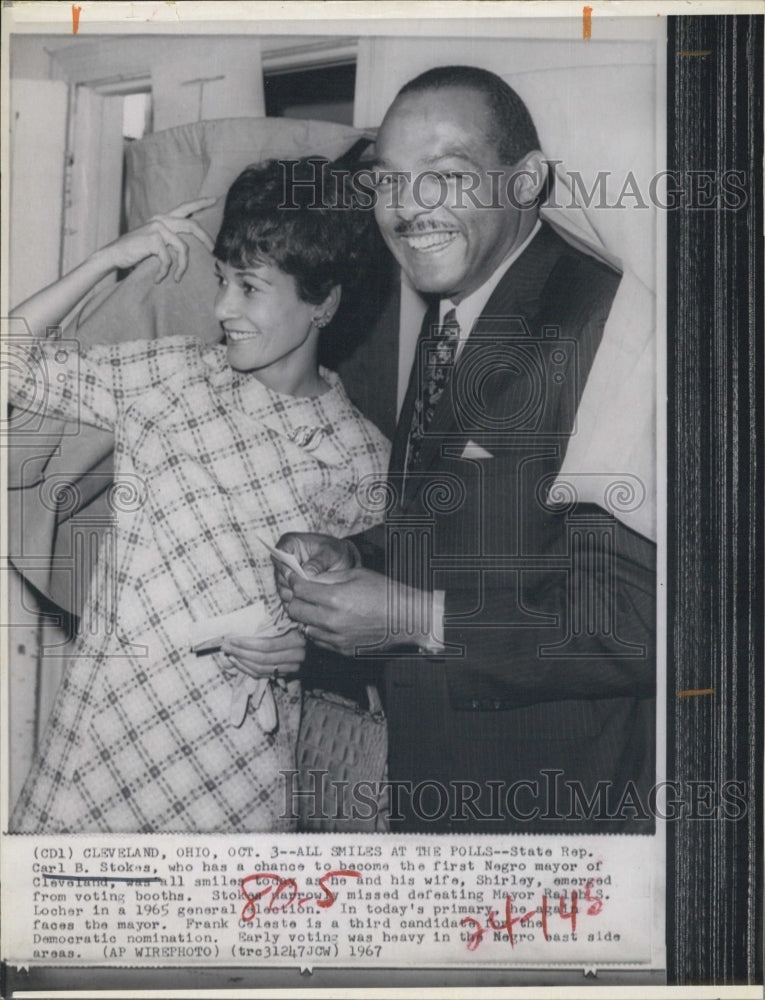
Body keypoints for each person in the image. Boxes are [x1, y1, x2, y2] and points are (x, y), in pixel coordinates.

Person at [276, 66, 656, 833]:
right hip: (437, 789)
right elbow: (476, 525)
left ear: (525, 184)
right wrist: (358, 556)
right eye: (389, 181)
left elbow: (635, 623)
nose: (408, 210)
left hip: (553, 815)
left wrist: (415, 617)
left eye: (444, 177)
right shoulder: (460, 302)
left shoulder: (607, 320)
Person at [8, 159, 390, 833]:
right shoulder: (176, 375)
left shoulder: (360, 456)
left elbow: (374, 632)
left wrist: (308, 650)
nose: (222, 309)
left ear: (323, 301)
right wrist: (105, 261)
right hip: (97, 738)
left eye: (249, 287)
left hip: (224, 772)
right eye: (222, 280)